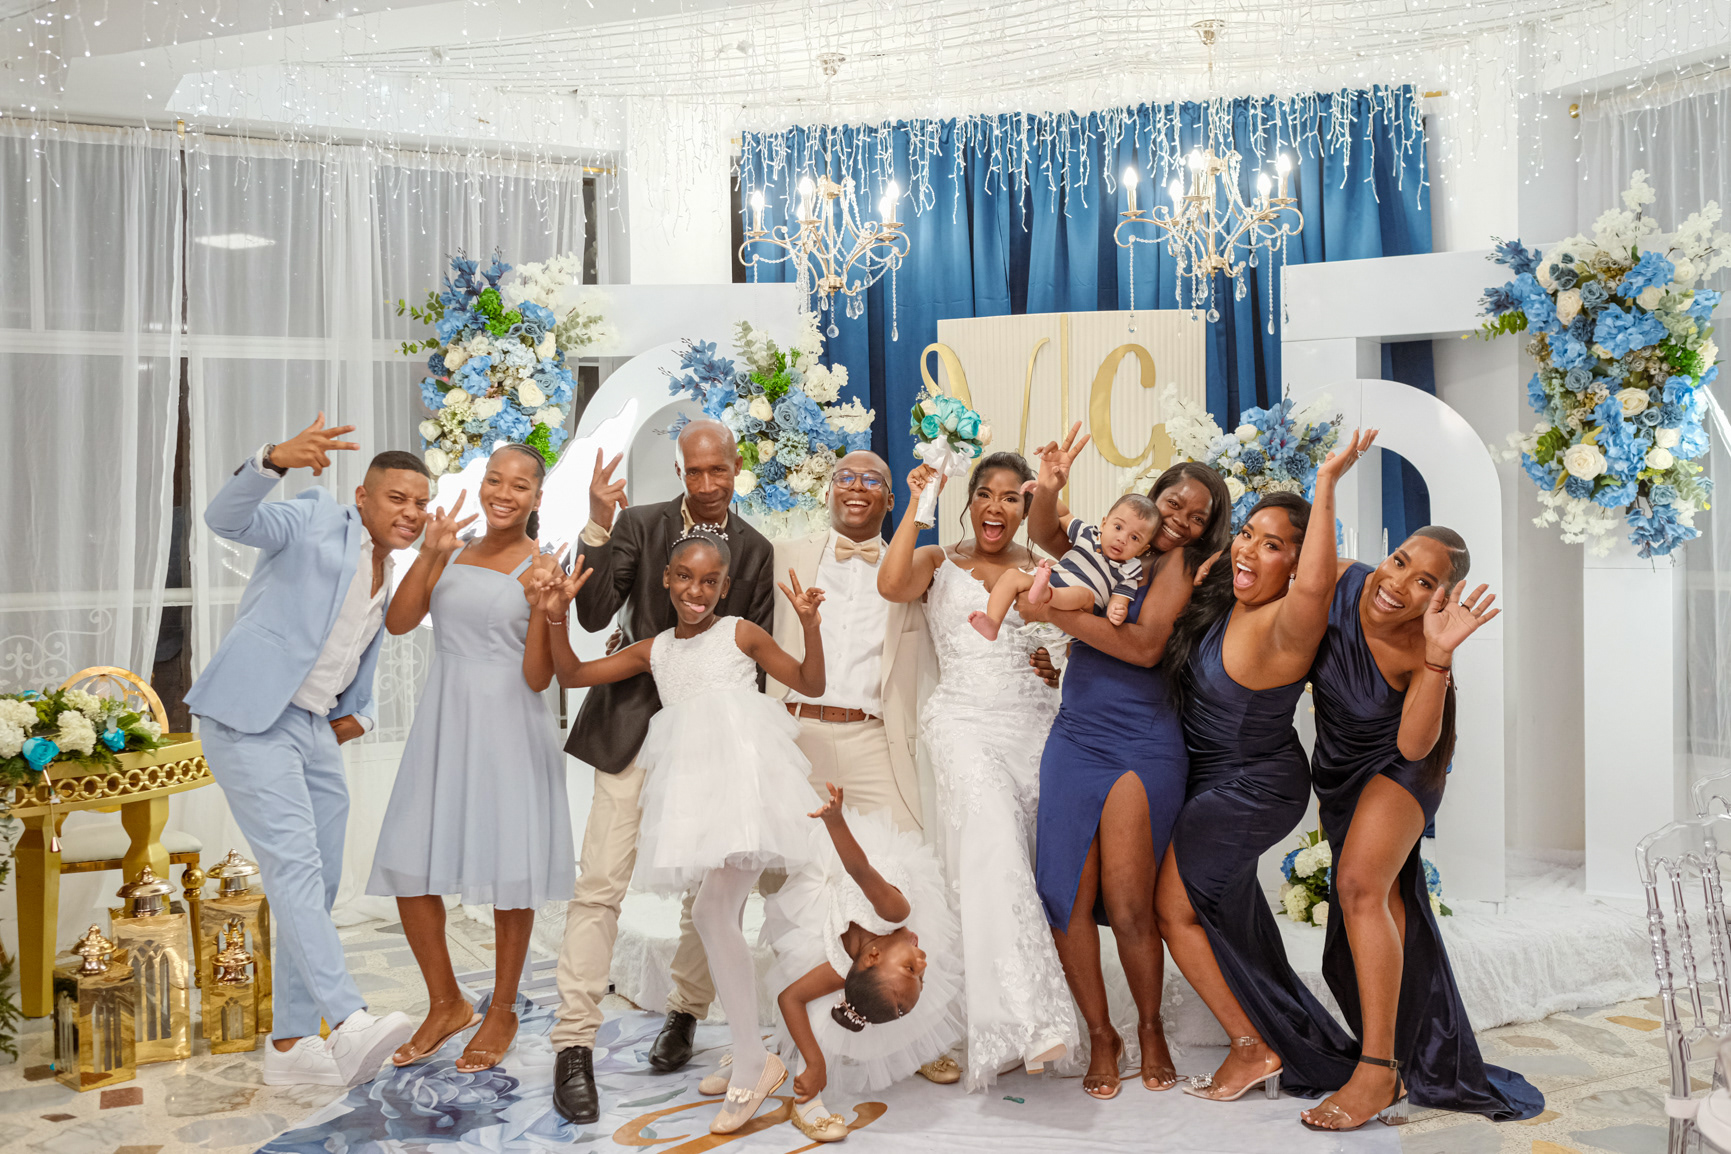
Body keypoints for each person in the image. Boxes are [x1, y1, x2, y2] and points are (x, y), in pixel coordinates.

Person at [539, 528, 827, 1135]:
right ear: (666, 580)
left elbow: (810, 682)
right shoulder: (655, 650)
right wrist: (557, 616)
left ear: (726, 586)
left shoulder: (740, 633)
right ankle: (751, 1051)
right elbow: (572, 674)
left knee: (713, 913)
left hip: (746, 784)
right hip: (696, 787)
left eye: (710, 581)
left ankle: (752, 1060)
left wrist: (810, 625)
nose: (697, 591)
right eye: (686, 578)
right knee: (714, 914)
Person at [185, 414, 427, 1087]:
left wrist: (358, 713)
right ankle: (347, 1021)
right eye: (397, 498)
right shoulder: (316, 516)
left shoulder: (389, 569)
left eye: (419, 503)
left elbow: (353, 650)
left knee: (315, 884)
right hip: (249, 719)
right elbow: (226, 519)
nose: (410, 513)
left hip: (314, 728)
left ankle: (290, 1046)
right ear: (363, 497)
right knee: (293, 867)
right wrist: (271, 460)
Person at [549, 419, 775, 1125]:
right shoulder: (639, 525)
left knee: (706, 893)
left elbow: (757, 660)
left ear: (736, 468)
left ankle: (685, 1011)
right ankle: (573, 1043)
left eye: (718, 471)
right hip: (628, 728)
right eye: (693, 471)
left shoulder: (756, 550)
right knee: (600, 883)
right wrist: (596, 524)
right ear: (679, 471)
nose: (706, 485)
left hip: (710, 745)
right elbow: (593, 616)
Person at [1153, 430, 1377, 1105]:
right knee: (1232, 918)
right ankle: (1288, 1034)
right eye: (1247, 534)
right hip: (1214, 781)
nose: (1248, 549)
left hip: (1253, 787)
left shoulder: (1288, 622)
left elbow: (1323, 579)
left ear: (1298, 563)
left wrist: (1326, 483)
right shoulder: (1226, 598)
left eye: (1272, 544)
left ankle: (1250, 1047)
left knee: (1173, 910)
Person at [1015, 424, 1232, 1100]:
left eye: (1197, 516)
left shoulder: (1177, 565)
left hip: (1141, 739)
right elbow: (1046, 532)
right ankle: (1101, 1034)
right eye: (1175, 504)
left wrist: (1047, 611)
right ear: (1153, 498)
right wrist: (1049, 486)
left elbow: (1141, 648)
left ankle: (1149, 1028)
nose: (1182, 520)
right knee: (1063, 896)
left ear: (1206, 531)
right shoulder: (1118, 542)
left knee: (1132, 903)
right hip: (1076, 735)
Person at [1300, 531, 1544, 1129]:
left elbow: (1414, 745)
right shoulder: (1339, 577)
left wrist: (1438, 656)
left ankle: (1378, 1071)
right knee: (1381, 900)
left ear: (1444, 597)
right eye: (1400, 562)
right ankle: (1409, 1048)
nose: (1398, 584)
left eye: (1425, 583)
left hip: (1403, 767)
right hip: (1338, 768)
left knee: (1359, 887)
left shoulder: (1423, 644)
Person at [367, 443, 574, 1073]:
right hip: (445, 718)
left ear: (538, 497)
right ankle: (447, 1002)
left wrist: (544, 610)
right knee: (408, 862)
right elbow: (399, 623)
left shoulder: (543, 564)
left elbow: (539, 677)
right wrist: (430, 554)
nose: (503, 494)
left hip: (511, 722)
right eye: (494, 480)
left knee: (511, 867)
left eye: (519, 485)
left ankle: (502, 1008)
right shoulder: (450, 548)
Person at [876, 450, 1077, 1090]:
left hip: (1036, 728)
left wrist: (1055, 668)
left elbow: (1072, 653)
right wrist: (918, 502)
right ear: (968, 501)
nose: (996, 507)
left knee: (1027, 864)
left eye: (1011, 497)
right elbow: (891, 584)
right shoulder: (939, 561)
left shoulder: (1046, 569)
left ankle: (1017, 1010)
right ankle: (1029, 1021)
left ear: (1025, 507)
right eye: (985, 494)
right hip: (962, 722)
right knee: (994, 848)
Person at [760, 783, 963, 1144]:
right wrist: (815, 1061)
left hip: (860, 870)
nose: (923, 963)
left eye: (911, 970)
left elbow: (858, 869)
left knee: (883, 995)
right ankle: (812, 1100)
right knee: (883, 988)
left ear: (872, 957)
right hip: (865, 882)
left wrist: (835, 821)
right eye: (920, 975)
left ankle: (914, 1052)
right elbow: (862, 870)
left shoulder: (869, 938)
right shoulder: (895, 912)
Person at [765, 451, 927, 834]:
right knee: (791, 861)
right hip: (794, 733)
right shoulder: (779, 555)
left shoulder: (913, 575)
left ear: (891, 500)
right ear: (827, 493)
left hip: (874, 738)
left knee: (905, 852)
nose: (857, 486)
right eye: (845, 477)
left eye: (872, 480)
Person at [969, 491, 1160, 640]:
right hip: (1045, 586)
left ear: (1142, 549)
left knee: (1084, 594)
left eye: (1134, 538)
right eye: (1118, 527)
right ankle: (993, 622)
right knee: (1012, 575)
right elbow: (1063, 514)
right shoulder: (1087, 534)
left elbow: (1119, 601)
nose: (1122, 539)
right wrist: (1044, 492)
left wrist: (1117, 611)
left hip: (1077, 609)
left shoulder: (1129, 571)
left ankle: (1047, 594)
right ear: (1104, 524)